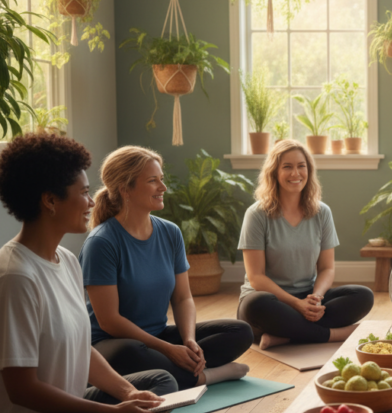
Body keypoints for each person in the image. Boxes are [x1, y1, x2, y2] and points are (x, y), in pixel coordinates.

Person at [0, 134, 184, 413]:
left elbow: (82, 349)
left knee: (157, 385)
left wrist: (130, 394)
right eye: (83, 192)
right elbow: (22, 390)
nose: (91, 201)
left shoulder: (66, 260)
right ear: (50, 201)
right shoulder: (16, 277)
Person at [81, 146, 252, 390]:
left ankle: (177, 373)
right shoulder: (102, 243)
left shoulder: (170, 232)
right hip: (113, 344)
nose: (163, 188)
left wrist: (188, 340)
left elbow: (183, 298)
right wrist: (168, 350)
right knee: (131, 352)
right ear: (125, 189)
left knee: (240, 331)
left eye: (161, 180)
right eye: (153, 181)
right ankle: (207, 377)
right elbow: (109, 321)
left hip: (159, 336)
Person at [238, 140, 373, 349]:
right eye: (287, 167)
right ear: (274, 172)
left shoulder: (322, 212)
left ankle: (286, 336)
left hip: (308, 296)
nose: (296, 173)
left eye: (301, 166)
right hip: (272, 301)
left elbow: (327, 268)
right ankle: (336, 334)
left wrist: (316, 298)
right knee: (256, 305)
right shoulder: (256, 215)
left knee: (363, 296)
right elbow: (256, 277)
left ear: (309, 170)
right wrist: (296, 305)